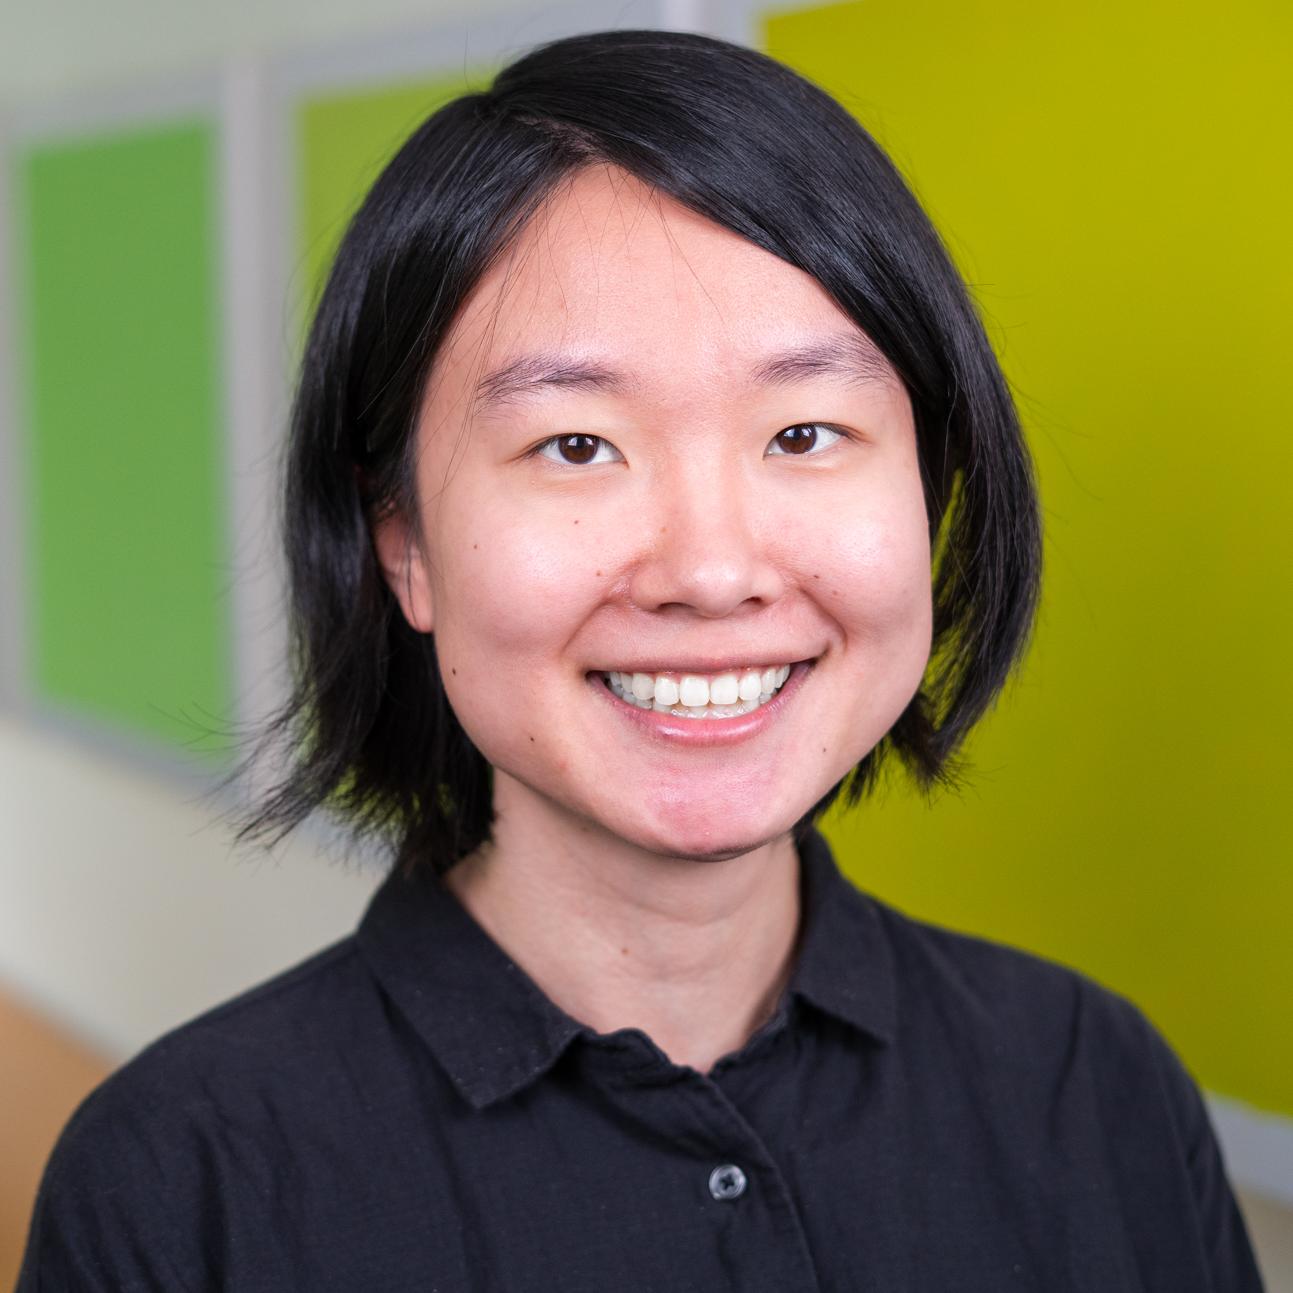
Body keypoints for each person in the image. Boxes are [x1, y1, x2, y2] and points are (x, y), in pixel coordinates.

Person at [18, 28, 1264, 1291]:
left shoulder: (1093, 1089)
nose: (712, 571)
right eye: (576, 446)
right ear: (404, 543)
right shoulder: (181, 1190)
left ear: (933, 484)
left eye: (806, 430)